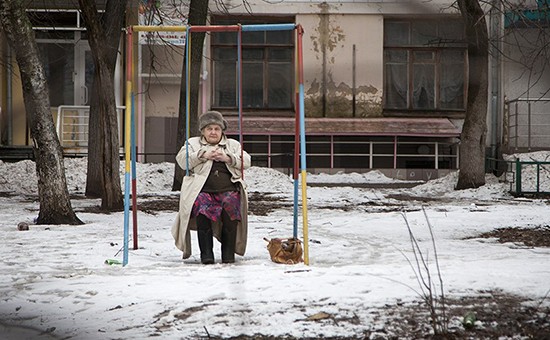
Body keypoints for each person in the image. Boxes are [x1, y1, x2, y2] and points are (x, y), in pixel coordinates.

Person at [171, 111, 251, 264]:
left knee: (231, 213)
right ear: (203, 131)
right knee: (203, 212)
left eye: (217, 129)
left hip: (229, 189)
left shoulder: (233, 145)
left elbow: (246, 161)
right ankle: (206, 255)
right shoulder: (193, 144)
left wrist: (228, 158)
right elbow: (182, 161)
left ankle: (228, 255)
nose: (213, 132)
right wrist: (202, 155)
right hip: (203, 191)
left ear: (222, 131)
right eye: (209, 129)